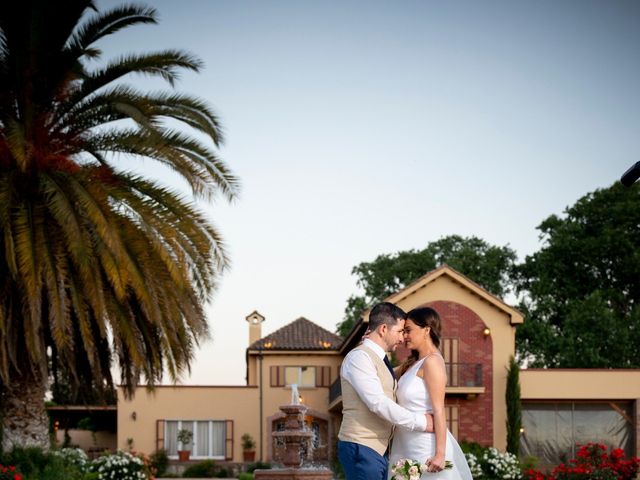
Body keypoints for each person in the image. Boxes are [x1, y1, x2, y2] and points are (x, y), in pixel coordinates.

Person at [337, 302, 434, 480]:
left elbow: (391, 381)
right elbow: (378, 403)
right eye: (399, 331)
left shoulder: (379, 359)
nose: (402, 338)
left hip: (376, 450)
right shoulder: (359, 357)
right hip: (362, 446)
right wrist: (421, 422)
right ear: (383, 329)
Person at [388, 307, 472, 479]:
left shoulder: (432, 362)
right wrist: (372, 343)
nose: (404, 336)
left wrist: (440, 454)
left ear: (426, 330)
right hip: (405, 445)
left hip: (425, 447)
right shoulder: (412, 364)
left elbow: (439, 409)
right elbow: (383, 372)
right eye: (403, 331)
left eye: (408, 330)